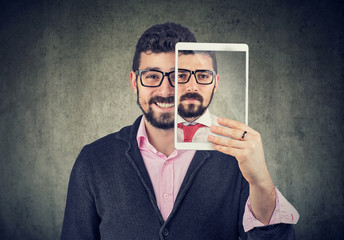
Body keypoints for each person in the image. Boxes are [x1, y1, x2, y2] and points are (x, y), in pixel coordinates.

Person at [61, 22, 299, 240]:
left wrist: (262, 183)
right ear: (135, 81)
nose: (166, 91)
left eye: (178, 76)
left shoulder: (236, 157)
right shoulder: (93, 161)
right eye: (152, 76)